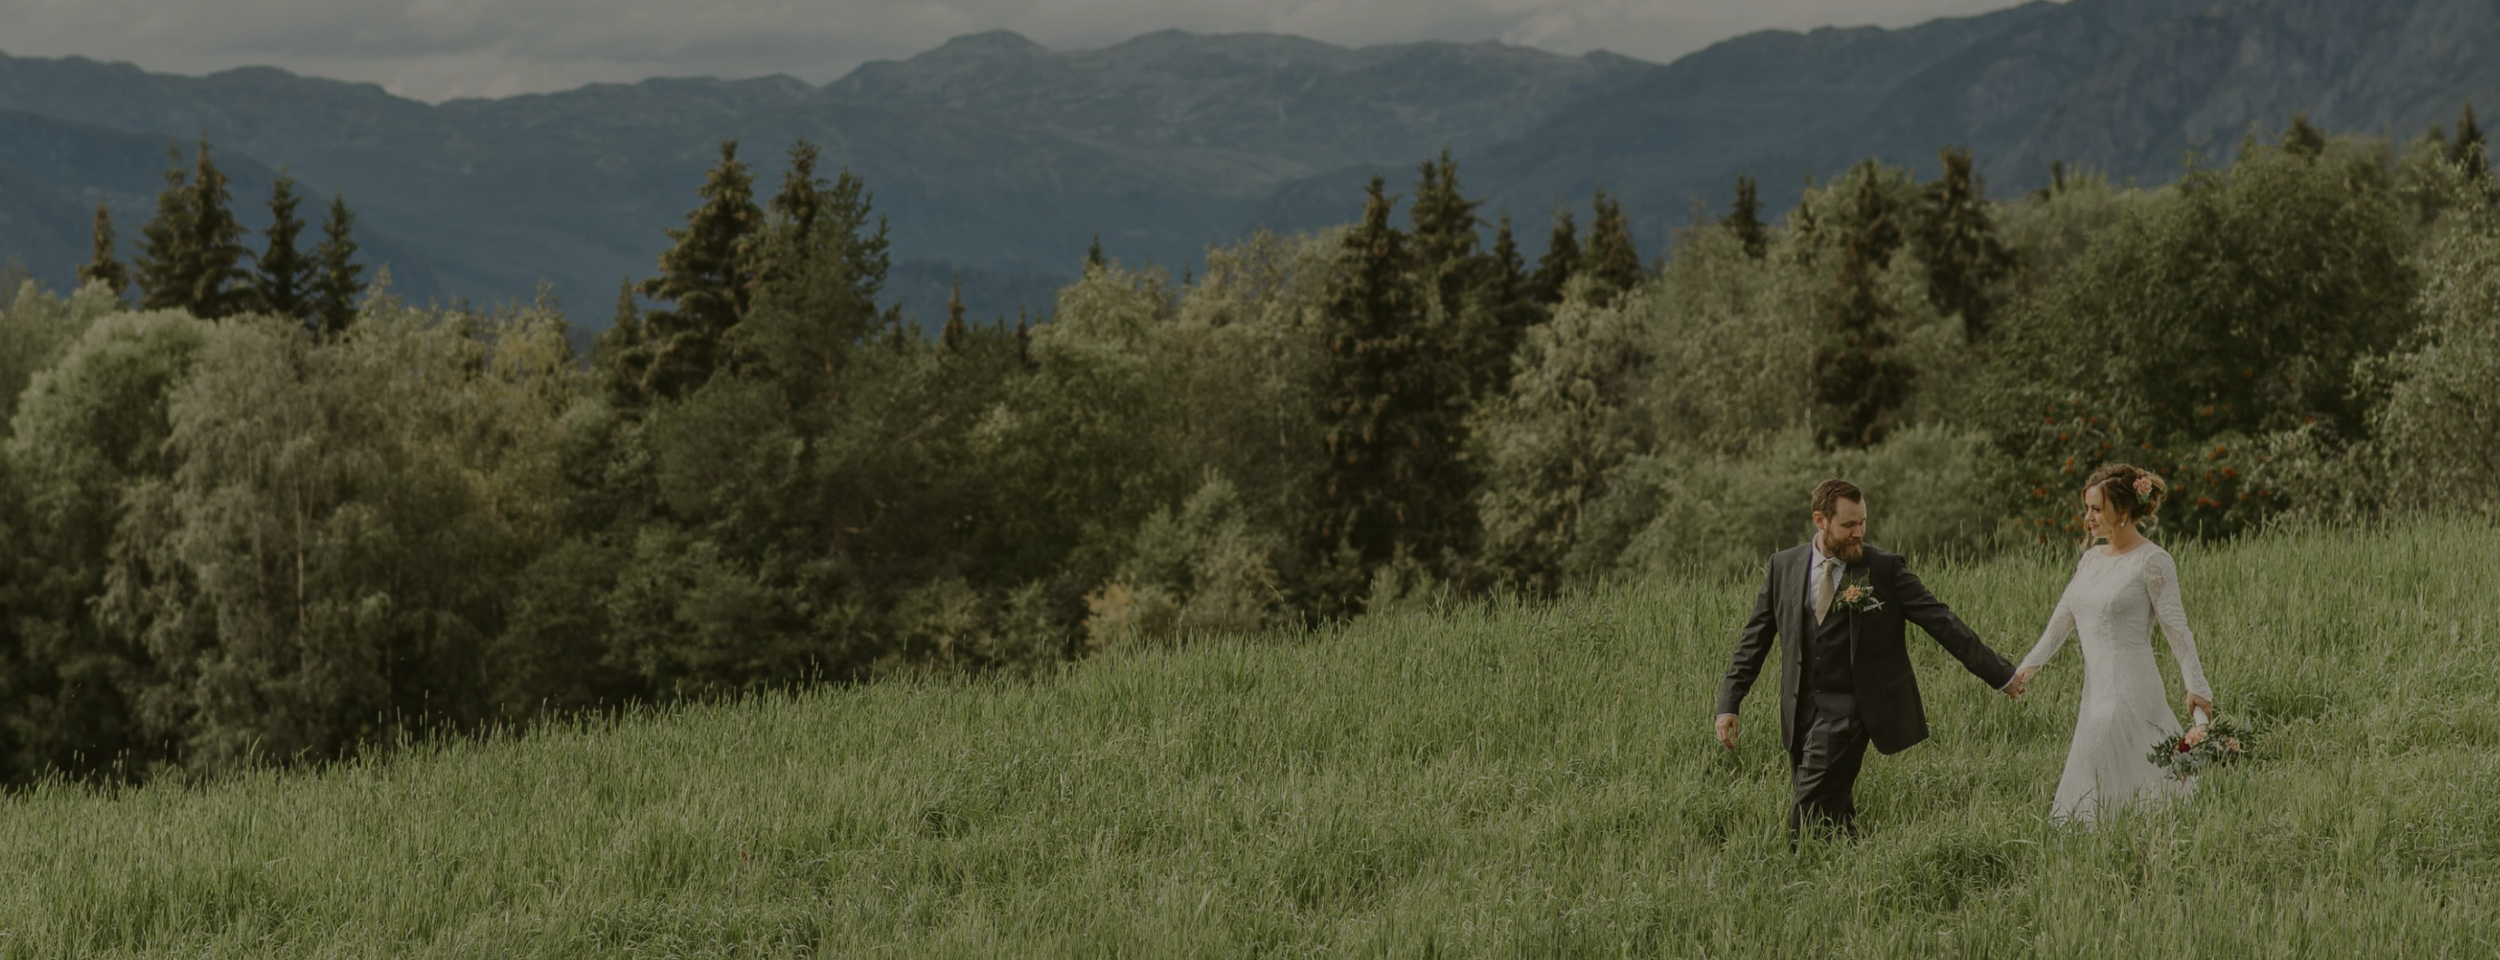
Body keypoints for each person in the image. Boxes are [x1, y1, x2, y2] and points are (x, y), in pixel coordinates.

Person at [1715, 479, 2021, 844]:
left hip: (1850, 711)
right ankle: (1851, 875)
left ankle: (1793, 875)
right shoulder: (1784, 567)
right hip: (1798, 712)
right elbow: (1754, 639)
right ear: (1820, 520)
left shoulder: (1884, 569)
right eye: (1848, 525)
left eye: (1862, 523)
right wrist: (1729, 703)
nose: (1858, 533)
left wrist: (2001, 674)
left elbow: (1942, 622)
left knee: (1807, 808)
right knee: (1834, 817)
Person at [2008, 463, 2215, 825]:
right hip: (2095, 692)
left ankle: (2096, 838)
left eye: (2096, 509)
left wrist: (2196, 686)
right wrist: (2027, 667)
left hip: (2131, 688)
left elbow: (2176, 628)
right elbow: (2061, 622)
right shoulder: (2089, 561)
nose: (2087, 517)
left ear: (2122, 512)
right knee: (2119, 780)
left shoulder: (2153, 561)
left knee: (2102, 763)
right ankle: (2112, 846)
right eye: (2086, 508)